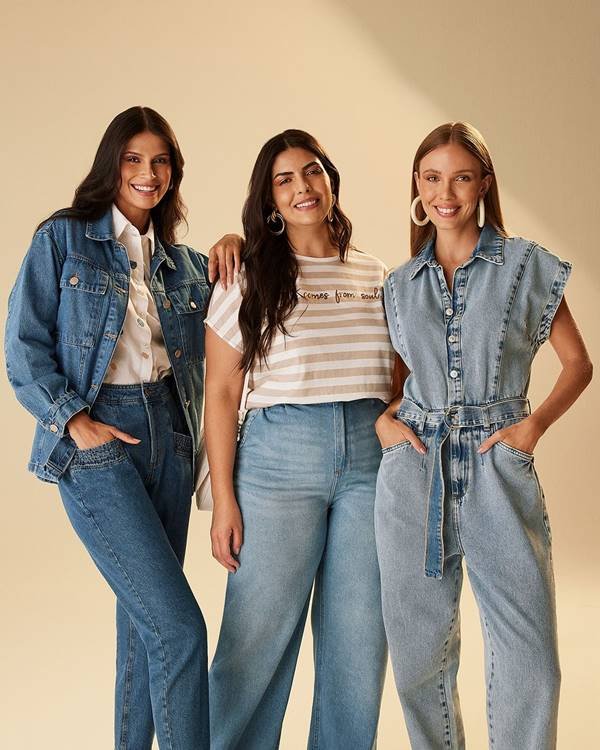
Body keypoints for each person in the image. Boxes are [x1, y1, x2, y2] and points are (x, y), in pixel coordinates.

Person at [5, 106, 222, 749]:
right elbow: (23, 346)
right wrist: (75, 421)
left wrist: (236, 244)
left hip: (171, 437)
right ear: (112, 165)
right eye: (134, 159)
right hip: (99, 439)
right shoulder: (63, 240)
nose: (147, 174)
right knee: (181, 629)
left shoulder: (183, 265)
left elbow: (231, 339)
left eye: (160, 162)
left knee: (145, 625)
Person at [374, 121, 593, 749]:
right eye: (433, 177)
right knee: (419, 656)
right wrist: (385, 421)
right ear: (417, 186)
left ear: (483, 184)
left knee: (531, 657)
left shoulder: (526, 265)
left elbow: (578, 364)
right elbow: (398, 382)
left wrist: (533, 426)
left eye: (462, 177)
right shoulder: (399, 284)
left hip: (499, 462)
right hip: (414, 468)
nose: (447, 192)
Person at [204, 129, 394, 749]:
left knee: (359, 639)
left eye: (310, 172)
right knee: (256, 639)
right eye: (284, 180)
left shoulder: (376, 274)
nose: (302, 187)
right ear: (270, 202)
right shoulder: (247, 275)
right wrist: (224, 500)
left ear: (330, 181)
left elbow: (399, 376)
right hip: (277, 461)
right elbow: (222, 394)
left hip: (370, 460)